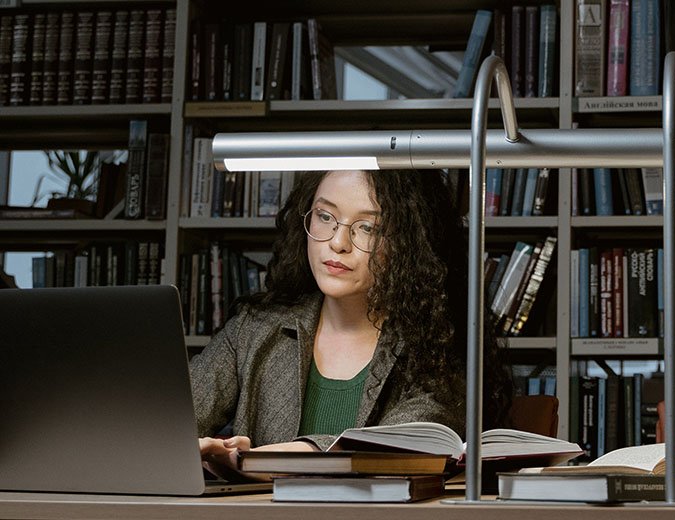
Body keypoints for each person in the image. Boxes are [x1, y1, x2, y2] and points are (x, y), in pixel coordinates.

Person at [190, 169, 510, 478]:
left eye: (368, 228)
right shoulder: (253, 329)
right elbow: (170, 417)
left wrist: (257, 461)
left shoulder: (437, 346)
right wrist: (196, 447)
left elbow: (393, 449)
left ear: (410, 242)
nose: (338, 242)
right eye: (325, 217)